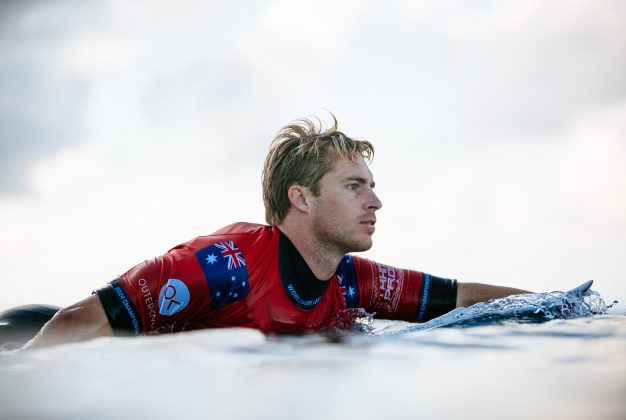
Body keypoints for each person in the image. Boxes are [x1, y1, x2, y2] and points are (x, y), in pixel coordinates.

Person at [20, 116, 528, 349]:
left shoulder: (353, 281)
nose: (375, 201)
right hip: (29, 331)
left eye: (372, 186)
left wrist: (557, 303)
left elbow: (459, 298)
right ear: (301, 198)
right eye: (354, 186)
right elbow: (73, 324)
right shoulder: (221, 266)